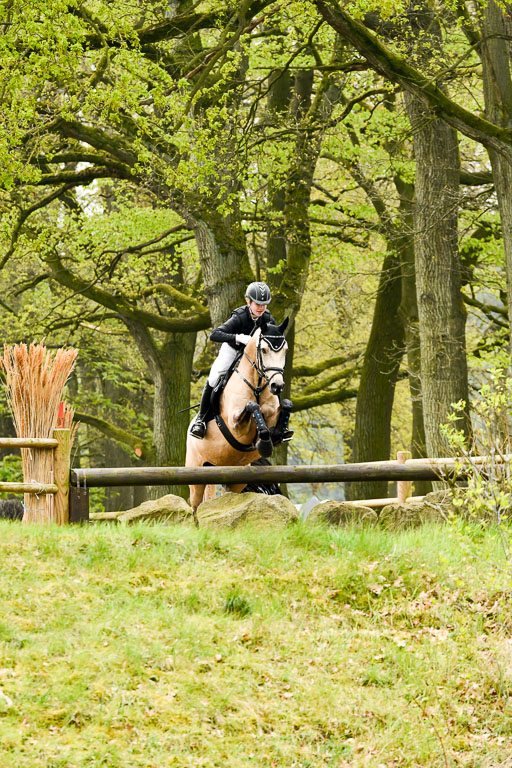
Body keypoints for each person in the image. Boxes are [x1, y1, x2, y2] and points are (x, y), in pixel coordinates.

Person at [190, 281, 276, 438]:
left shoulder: (268, 318)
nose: (261, 308)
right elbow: (215, 334)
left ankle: (276, 425)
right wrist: (238, 337)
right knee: (214, 377)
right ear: (248, 301)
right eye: (257, 303)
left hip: (254, 357)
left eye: (264, 304)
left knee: (273, 377)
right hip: (232, 351)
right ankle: (201, 420)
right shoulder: (239, 316)